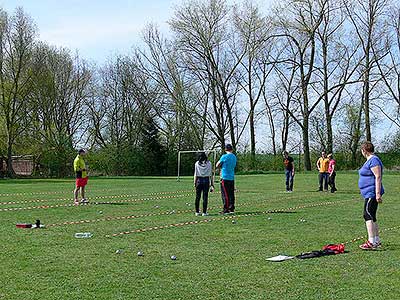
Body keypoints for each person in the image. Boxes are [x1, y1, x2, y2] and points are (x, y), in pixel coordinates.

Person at [358, 141, 384, 250]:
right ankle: (376, 240)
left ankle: (371, 241)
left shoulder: (374, 160)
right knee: (372, 215)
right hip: (368, 192)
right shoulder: (370, 160)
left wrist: (377, 194)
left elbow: (378, 176)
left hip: (372, 192)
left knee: (367, 215)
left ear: (364, 151)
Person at [216, 144, 237, 214]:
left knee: (225, 194)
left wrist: (220, 166)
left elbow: (217, 165)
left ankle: (226, 209)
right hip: (231, 177)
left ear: (225, 149)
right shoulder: (234, 156)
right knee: (231, 193)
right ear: (232, 149)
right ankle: (231, 208)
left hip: (224, 177)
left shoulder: (224, 156)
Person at [193, 152, 214, 216]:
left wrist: (194, 182)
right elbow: (210, 174)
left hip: (199, 180)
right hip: (206, 180)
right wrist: (212, 183)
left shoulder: (196, 163)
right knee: (205, 197)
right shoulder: (209, 163)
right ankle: (204, 212)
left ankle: (197, 212)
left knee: (197, 197)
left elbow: (195, 174)